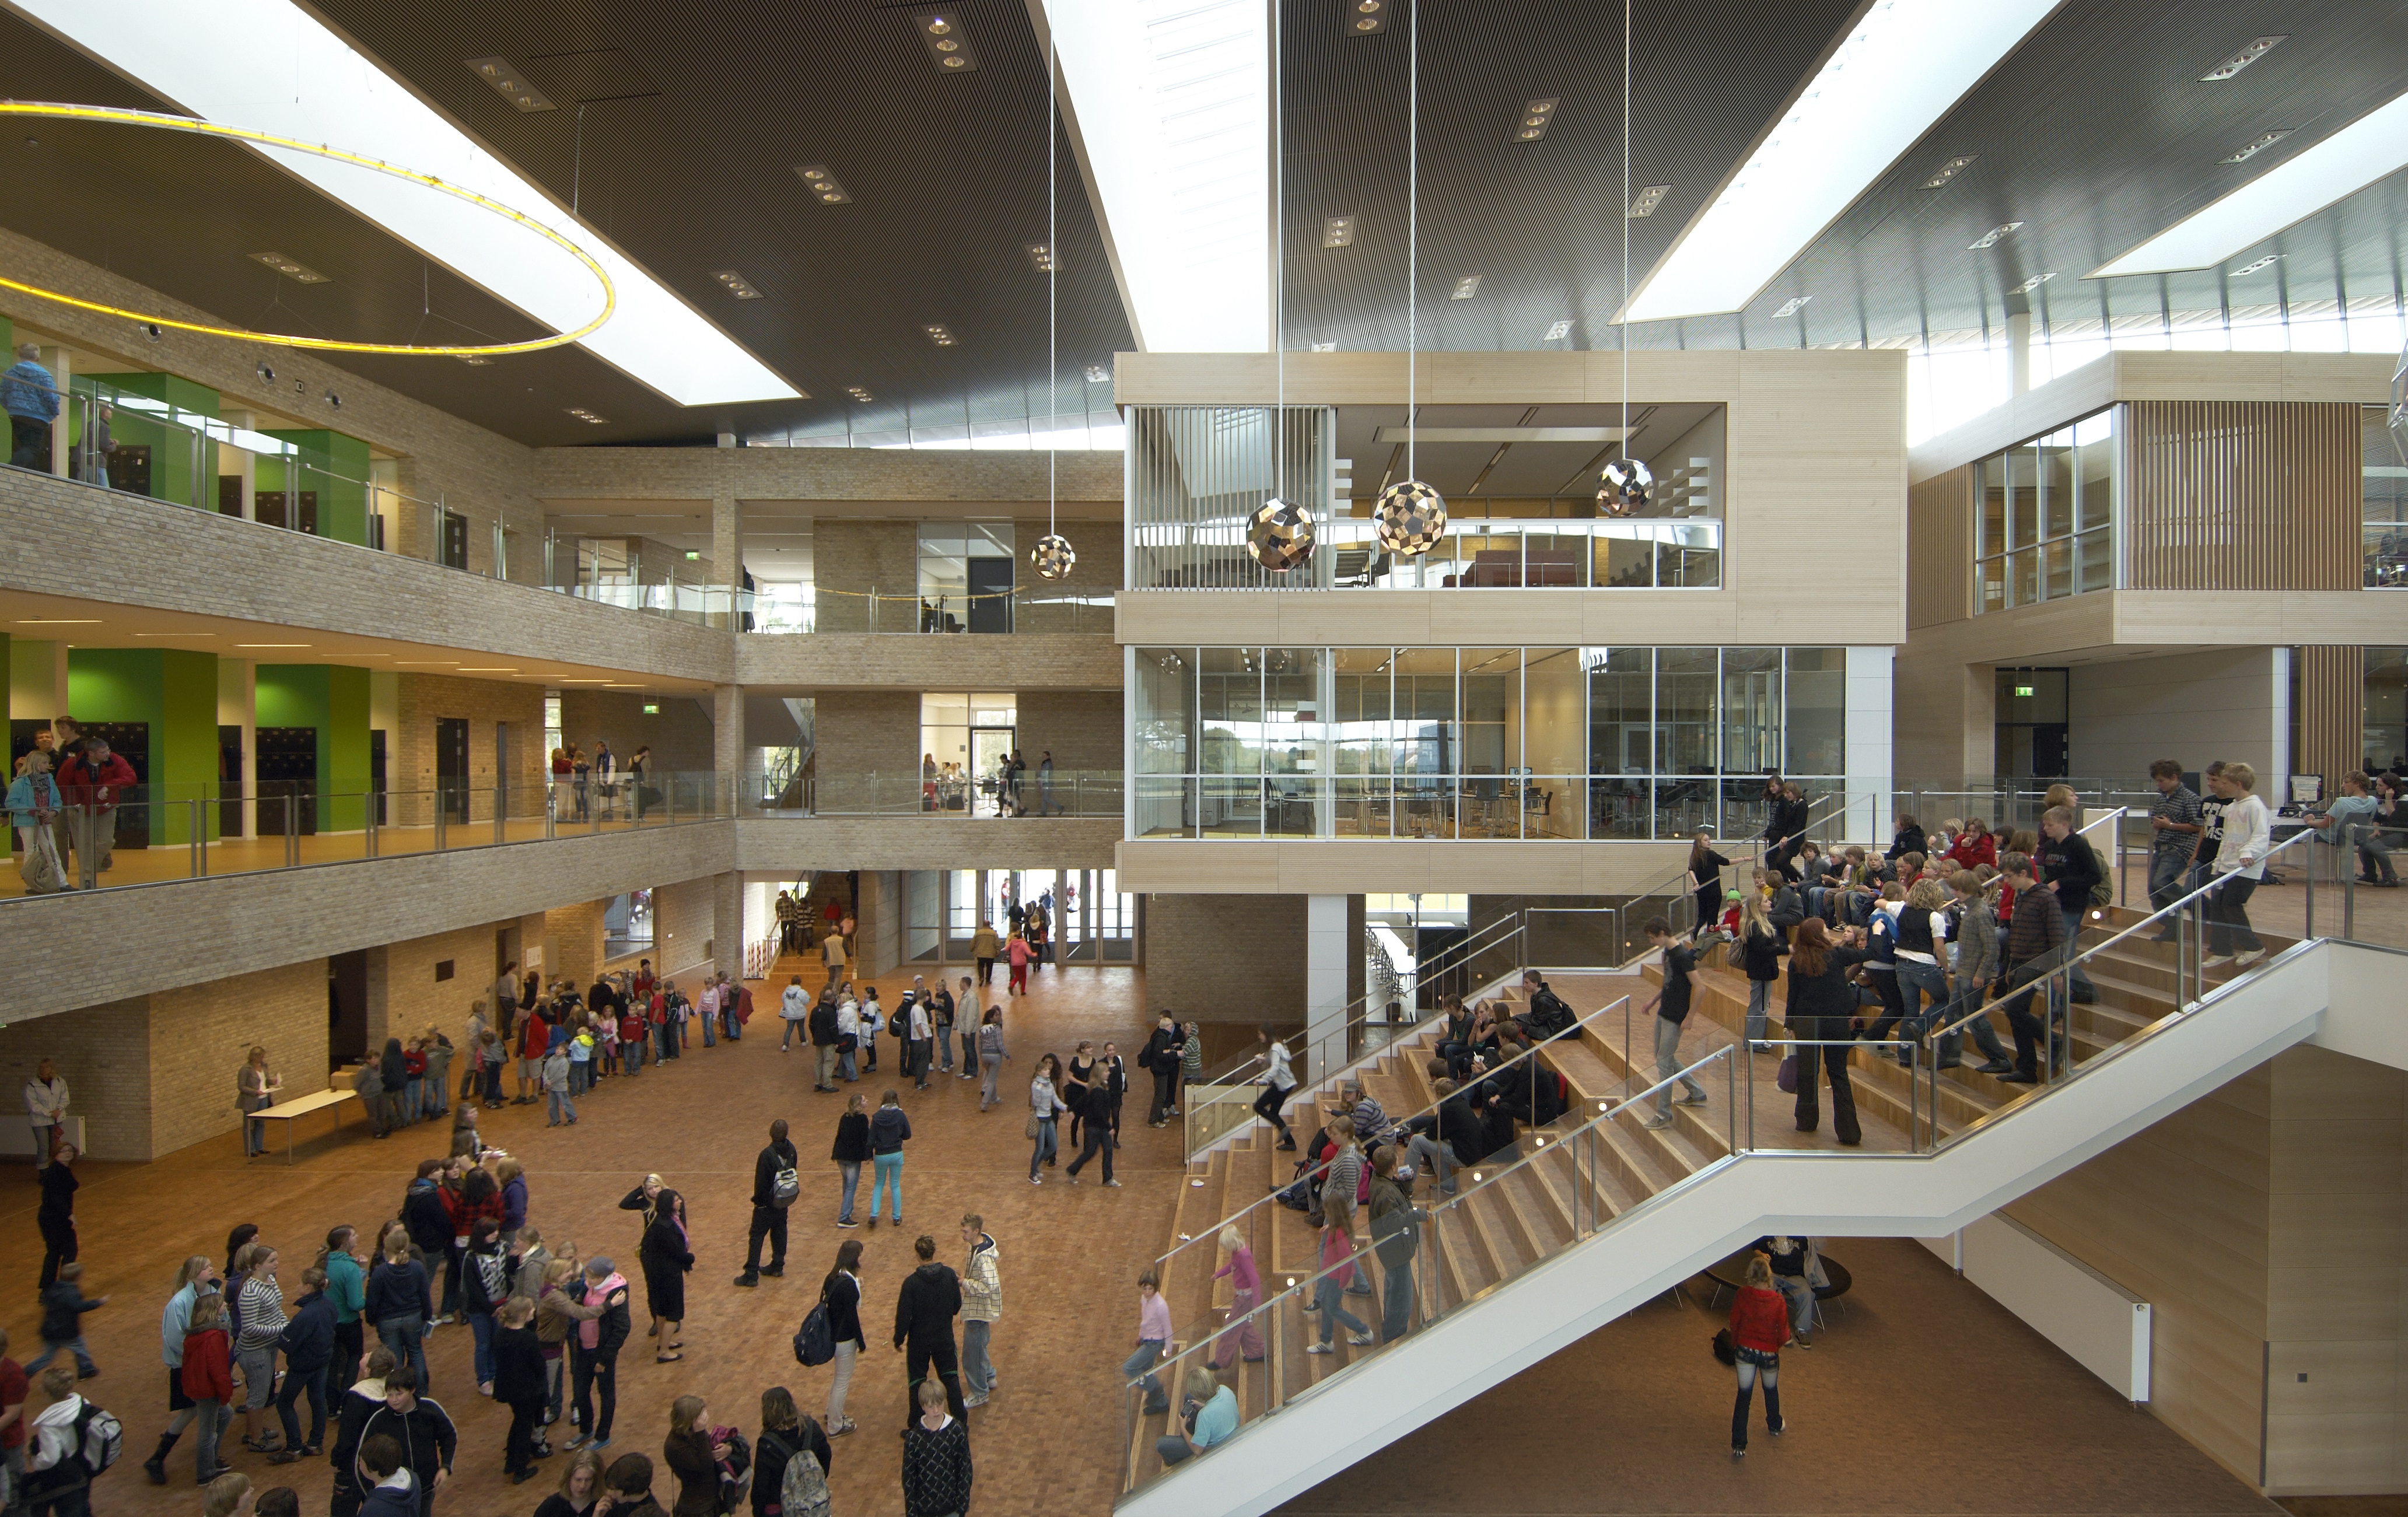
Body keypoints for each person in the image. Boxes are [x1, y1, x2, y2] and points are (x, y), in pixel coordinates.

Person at [1784, 919, 1870, 1144]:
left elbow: (1792, 995)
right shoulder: (1837, 956)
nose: (1828, 932)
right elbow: (1868, 954)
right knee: (1839, 1073)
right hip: (1835, 1021)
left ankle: (1806, 1121)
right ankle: (1849, 1131)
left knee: (1808, 1072)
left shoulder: (1796, 962)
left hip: (1806, 1022)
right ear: (1818, 935)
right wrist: (1878, 931)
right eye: (1824, 929)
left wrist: (1788, 1023)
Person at [1995, 851, 2071, 1085]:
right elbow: (2017, 933)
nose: (2006, 882)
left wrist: (2058, 970)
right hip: (2020, 960)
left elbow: (2057, 935)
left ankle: (2053, 1042)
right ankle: (2027, 1068)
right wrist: (2009, 967)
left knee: (2014, 1009)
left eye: (2009, 877)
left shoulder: (2046, 898)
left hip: (2037, 960)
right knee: (2016, 1015)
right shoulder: (2022, 896)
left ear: (2023, 873)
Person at [355, 1364, 456, 1517]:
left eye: (399, 1394)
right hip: (393, 1495)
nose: (394, 1400)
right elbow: (361, 1459)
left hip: (426, 1488)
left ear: (412, 1390)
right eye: (389, 1395)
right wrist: (373, 1494)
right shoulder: (378, 1421)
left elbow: (449, 1436)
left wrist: (445, 1466)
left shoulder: (430, 1410)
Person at [1638, 919, 1708, 1129]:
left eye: (1652, 938)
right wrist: (1654, 1000)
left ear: (1661, 933)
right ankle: (1696, 1092)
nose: (1651, 942)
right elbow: (1670, 982)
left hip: (1676, 1015)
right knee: (1663, 1057)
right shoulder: (1669, 954)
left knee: (1663, 1062)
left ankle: (1663, 1113)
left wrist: (1690, 1017)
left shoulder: (1682, 956)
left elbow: (1700, 987)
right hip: (1664, 1011)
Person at [893, 1234, 965, 1428]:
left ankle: (916, 1426)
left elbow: (903, 1315)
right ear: (934, 1252)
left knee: (916, 1381)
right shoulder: (950, 1275)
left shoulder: (911, 1283)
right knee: (950, 1378)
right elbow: (957, 1305)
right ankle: (961, 1422)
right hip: (944, 1337)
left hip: (919, 1341)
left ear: (917, 1255)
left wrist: (899, 1339)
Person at [561, 1257, 629, 1455]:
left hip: (601, 1353)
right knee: (580, 1391)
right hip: (583, 1347)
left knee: (606, 1394)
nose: (587, 1282)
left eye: (591, 1279)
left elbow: (622, 1328)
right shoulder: (588, 1286)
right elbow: (580, 1306)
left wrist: (605, 1359)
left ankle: (602, 1436)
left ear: (603, 1277)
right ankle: (585, 1430)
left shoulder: (617, 1293)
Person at [619, 1180, 692, 1362]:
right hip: (669, 1274)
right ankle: (664, 1351)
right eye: (677, 1200)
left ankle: (663, 1342)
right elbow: (676, 1251)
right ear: (670, 1204)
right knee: (674, 1313)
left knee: (661, 1311)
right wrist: (689, 1259)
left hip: (658, 1273)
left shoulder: (657, 1221)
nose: (680, 1202)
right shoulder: (667, 1226)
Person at [268, 1266, 334, 1463]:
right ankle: (315, 1444)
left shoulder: (305, 1315)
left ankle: (294, 1448)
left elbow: (288, 1344)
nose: (297, 1287)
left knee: (285, 1403)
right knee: (317, 1400)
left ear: (307, 1287)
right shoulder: (329, 1305)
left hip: (302, 1365)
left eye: (300, 1283)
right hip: (322, 1361)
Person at [1727, 1254, 1790, 1458]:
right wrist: (1775, 1346)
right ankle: (1774, 1424)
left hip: (1745, 1351)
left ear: (1751, 1275)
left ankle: (1739, 1445)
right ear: (1769, 1277)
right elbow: (1784, 1331)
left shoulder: (1743, 1295)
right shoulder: (1778, 1300)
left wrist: (1736, 1343)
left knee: (1744, 1396)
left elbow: (1734, 1322)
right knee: (1770, 1389)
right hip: (1769, 1353)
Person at [1307, 1189, 1374, 1355]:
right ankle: (1326, 1340)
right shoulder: (1339, 1227)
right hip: (1333, 1277)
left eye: (1328, 1212)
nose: (1326, 1215)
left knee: (1332, 1309)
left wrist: (1342, 1283)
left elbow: (1347, 1260)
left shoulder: (1339, 1234)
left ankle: (1364, 1331)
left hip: (1336, 1279)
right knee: (1327, 1307)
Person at [1367, 1144, 1421, 1344]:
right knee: (1401, 1299)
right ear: (1392, 1167)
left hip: (1393, 1251)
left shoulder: (1382, 1181)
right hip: (1395, 1251)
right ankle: (1393, 1338)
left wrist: (1406, 1184)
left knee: (1393, 1289)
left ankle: (1390, 1332)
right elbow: (1393, 1222)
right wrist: (1416, 1214)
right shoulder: (1385, 1193)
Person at [365, 1231, 431, 1393]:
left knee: (394, 1360)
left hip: (387, 1322)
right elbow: (425, 1294)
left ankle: (398, 1393)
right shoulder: (417, 1267)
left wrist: (371, 1319)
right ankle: (420, 1393)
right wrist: (427, 1316)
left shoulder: (380, 1272)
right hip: (413, 1318)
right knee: (416, 1353)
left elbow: (372, 1299)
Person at [181, 1292, 236, 1485]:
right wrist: (225, 1393)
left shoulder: (196, 1333)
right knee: (207, 1432)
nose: (225, 1306)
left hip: (199, 1386)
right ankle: (205, 1473)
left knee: (226, 1415)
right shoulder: (213, 1337)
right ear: (213, 1311)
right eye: (221, 1304)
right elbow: (218, 1369)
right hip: (208, 1390)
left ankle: (212, 1459)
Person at [736, 1119, 799, 1287]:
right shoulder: (791, 1150)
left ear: (771, 1134)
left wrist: (759, 1202)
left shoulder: (766, 1155)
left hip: (766, 1204)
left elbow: (761, 1183)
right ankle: (778, 1265)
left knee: (756, 1237)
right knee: (780, 1231)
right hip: (783, 1200)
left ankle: (751, 1274)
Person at [898, 1378, 972, 1517]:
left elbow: (965, 1469)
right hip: (924, 1511)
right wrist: (912, 1512)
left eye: (940, 1404)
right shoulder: (914, 1438)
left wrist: (962, 1507)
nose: (936, 1411)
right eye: (931, 1406)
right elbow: (909, 1478)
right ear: (923, 1406)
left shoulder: (957, 1431)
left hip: (952, 1509)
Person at [751, 1385, 830, 1517]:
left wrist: (757, 1512)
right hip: (812, 1505)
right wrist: (812, 1480)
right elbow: (826, 1455)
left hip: (779, 1509)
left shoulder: (767, 1444)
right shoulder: (812, 1428)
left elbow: (761, 1486)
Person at [2145, 761, 2204, 926]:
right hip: (2162, 846)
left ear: (2174, 777)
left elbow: (2199, 826)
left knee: (2162, 882)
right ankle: (2172, 926)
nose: (2159, 784)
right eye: (2157, 781)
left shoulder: (2190, 798)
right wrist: (2157, 824)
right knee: (2153, 891)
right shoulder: (2161, 798)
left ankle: (2198, 903)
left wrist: (2171, 825)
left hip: (2180, 848)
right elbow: (2156, 819)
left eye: (2162, 781)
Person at [819, 1240, 865, 1438]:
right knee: (842, 1382)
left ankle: (832, 1413)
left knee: (838, 1379)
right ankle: (836, 1426)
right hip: (845, 1340)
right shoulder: (848, 1285)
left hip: (832, 1336)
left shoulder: (831, 1278)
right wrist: (861, 1342)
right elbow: (853, 1317)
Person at [6, 749, 68, 894]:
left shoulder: (49, 780)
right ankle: (31, 885)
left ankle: (62, 882)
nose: (48, 766)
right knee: (31, 853)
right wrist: (32, 811)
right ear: (36, 764)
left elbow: (57, 800)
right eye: (45, 763)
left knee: (52, 851)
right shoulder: (20, 782)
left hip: (45, 822)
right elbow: (11, 803)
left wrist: (53, 812)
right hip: (28, 822)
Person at [30, 1260, 102, 1380]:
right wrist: (98, 1302)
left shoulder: (53, 1288)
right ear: (77, 1277)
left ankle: (26, 1372)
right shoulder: (72, 1292)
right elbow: (78, 1306)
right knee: (80, 1348)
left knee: (47, 1357)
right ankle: (86, 1370)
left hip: (49, 1330)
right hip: (65, 1331)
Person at [1157, 1364, 1238, 1469]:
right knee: (1189, 1398)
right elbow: (1218, 1408)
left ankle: (1175, 1459)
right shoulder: (1224, 1389)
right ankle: (1186, 1439)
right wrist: (1203, 1406)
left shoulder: (1204, 1415)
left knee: (1160, 1444)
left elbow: (1198, 1450)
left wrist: (1182, 1427)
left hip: (1212, 1446)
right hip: (1228, 1430)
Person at [660, 1394, 726, 1517]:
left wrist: (727, 1449)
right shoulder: (675, 1446)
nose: (705, 1417)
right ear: (690, 1420)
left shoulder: (691, 1431)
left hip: (711, 1499)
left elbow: (708, 1447)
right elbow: (706, 1465)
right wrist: (701, 1432)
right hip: (698, 1508)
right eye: (700, 1415)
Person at [958, 1217, 1000, 1408]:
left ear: (976, 1231)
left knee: (972, 1353)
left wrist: (964, 1283)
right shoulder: (975, 1247)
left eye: (966, 1231)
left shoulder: (983, 1258)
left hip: (979, 1310)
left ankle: (979, 1393)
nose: (963, 1235)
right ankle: (989, 1375)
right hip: (977, 1308)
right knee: (980, 1344)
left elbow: (990, 1286)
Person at [1735, 893, 1782, 1052]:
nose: (1770, 902)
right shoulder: (1754, 926)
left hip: (1762, 972)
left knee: (1760, 1005)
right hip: (1761, 972)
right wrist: (1783, 949)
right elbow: (1762, 950)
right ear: (1758, 906)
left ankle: (1753, 1040)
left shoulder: (1758, 923)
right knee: (1759, 1007)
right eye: (1766, 901)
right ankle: (1753, 1041)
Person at [1752, 1235, 1817, 1348]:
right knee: (1768, 1292)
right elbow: (1756, 1248)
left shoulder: (1799, 1235)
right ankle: (1777, 1328)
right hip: (1773, 1273)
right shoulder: (1768, 1234)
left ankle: (1802, 1331)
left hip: (1796, 1275)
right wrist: (1762, 1255)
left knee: (1807, 1294)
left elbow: (1810, 1251)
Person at [1122, 1269, 1173, 1411]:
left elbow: (1168, 1329)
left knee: (1129, 1367)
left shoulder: (1161, 1306)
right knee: (1145, 1370)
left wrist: (1168, 1350)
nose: (1148, 1292)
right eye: (1145, 1288)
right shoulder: (1144, 1299)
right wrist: (1141, 1335)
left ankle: (1155, 1389)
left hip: (1155, 1343)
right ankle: (1161, 1401)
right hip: (1147, 1340)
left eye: (1151, 1288)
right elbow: (1145, 1320)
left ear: (1155, 1288)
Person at [1065, 1057, 1119, 1186]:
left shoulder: (1098, 1087)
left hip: (1100, 1126)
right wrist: (1109, 1126)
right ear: (1100, 1074)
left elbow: (1082, 1101)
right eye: (1106, 1071)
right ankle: (1071, 1170)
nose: (1109, 1073)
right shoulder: (1097, 1091)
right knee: (1090, 1152)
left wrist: (1071, 1108)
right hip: (1094, 1127)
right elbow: (1099, 1111)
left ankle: (1108, 1178)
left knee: (1108, 1150)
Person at [4, 342, 58, 470]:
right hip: (37, 416)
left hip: (16, 414)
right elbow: (51, 397)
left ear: (20, 355)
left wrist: (11, 407)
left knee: (25, 446)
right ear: (37, 358)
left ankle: (30, 476)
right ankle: (8, 470)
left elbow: (3, 393)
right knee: (32, 448)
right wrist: (53, 413)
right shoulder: (44, 375)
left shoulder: (10, 373)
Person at [35, 1138, 78, 1290]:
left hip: (53, 1217)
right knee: (68, 1250)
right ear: (56, 1155)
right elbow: (56, 1197)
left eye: (70, 1151)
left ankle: (48, 1288)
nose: (68, 1154)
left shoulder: (63, 1169)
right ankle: (64, 1286)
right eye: (64, 1151)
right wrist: (69, 1214)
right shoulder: (55, 1172)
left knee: (55, 1252)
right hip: (54, 1219)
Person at [868, 1090, 911, 1227]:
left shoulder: (877, 1117)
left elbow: (871, 1138)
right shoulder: (900, 1115)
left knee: (879, 1184)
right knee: (895, 1185)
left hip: (881, 1154)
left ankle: (874, 1214)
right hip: (896, 1154)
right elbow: (908, 1134)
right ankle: (896, 1217)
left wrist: (869, 1153)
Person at [829, 1094, 870, 1229]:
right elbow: (865, 1138)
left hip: (841, 1156)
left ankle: (848, 1208)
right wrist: (868, 1155)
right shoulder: (863, 1119)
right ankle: (844, 1217)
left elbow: (839, 1135)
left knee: (846, 1182)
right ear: (859, 1104)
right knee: (851, 1186)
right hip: (853, 1158)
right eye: (864, 1100)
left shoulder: (844, 1117)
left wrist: (834, 1154)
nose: (867, 1101)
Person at [535, 1445, 606, 1517]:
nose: (582, 1486)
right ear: (568, 1478)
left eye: (588, 1480)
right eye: (578, 1480)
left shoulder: (604, 1507)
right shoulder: (551, 1506)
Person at [1028, 1053, 1065, 1183]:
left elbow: (1055, 1099)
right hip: (1040, 1119)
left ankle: (1035, 1166)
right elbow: (1036, 1103)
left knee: (1053, 1146)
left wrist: (1066, 1108)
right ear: (1039, 1072)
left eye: (1048, 1069)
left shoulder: (1049, 1083)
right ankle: (1033, 1173)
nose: (1048, 1071)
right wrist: (1038, 1090)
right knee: (1039, 1148)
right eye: (1045, 1069)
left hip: (1049, 1118)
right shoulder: (1036, 1085)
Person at [1141, 1011, 1180, 1127]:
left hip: (1160, 1069)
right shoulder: (1161, 1038)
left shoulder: (1159, 1035)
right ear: (1166, 1027)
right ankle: (1153, 1120)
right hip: (1160, 1070)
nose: (1172, 1028)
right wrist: (1172, 1054)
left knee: (1161, 1094)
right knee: (1160, 1095)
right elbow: (1158, 1054)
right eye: (1171, 1026)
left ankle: (1160, 1117)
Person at [975, 1006, 1009, 1112]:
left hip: (985, 1056)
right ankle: (984, 1104)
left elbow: (980, 1045)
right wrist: (1007, 1056)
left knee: (990, 1076)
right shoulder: (997, 1029)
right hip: (995, 1056)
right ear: (991, 1018)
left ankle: (994, 1098)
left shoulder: (983, 1029)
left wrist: (981, 1057)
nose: (999, 1017)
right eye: (996, 1015)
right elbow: (1000, 1044)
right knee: (991, 1080)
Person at [781, 975, 812, 1057]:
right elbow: (807, 1000)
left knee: (789, 1029)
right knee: (801, 1027)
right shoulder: (801, 992)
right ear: (800, 982)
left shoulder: (785, 992)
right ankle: (803, 1041)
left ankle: (785, 1044)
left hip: (790, 1014)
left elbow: (783, 1000)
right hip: (799, 1013)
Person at [971, 920, 999, 986]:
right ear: (989, 925)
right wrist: (998, 951)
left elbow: (973, 943)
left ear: (983, 925)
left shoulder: (978, 933)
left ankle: (981, 978)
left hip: (980, 953)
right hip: (990, 953)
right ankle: (988, 980)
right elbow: (997, 943)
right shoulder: (993, 933)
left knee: (980, 966)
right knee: (989, 967)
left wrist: (971, 949)